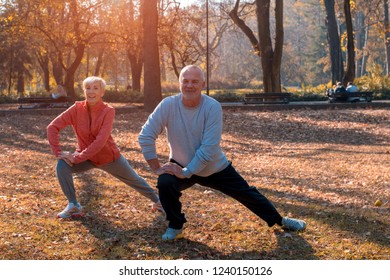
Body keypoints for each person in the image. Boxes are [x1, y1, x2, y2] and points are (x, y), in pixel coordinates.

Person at [138, 65, 307, 241]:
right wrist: (156, 167)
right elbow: (145, 135)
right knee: (165, 183)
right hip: (181, 163)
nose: (189, 85)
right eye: (185, 81)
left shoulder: (212, 107)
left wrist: (186, 172)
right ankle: (175, 224)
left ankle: (280, 220)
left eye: (194, 81)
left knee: (247, 193)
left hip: (213, 167)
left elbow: (208, 148)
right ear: (179, 83)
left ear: (203, 84)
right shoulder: (168, 105)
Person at [47, 76, 162, 219]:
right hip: (85, 157)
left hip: (108, 157)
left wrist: (77, 158)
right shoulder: (76, 109)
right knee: (62, 166)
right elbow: (52, 127)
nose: (91, 91)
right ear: (84, 91)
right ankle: (73, 205)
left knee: (134, 180)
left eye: (96, 88)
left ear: (102, 92)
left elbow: (100, 141)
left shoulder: (108, 111)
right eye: (88, 88)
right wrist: (58, 152)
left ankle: (159, 201)